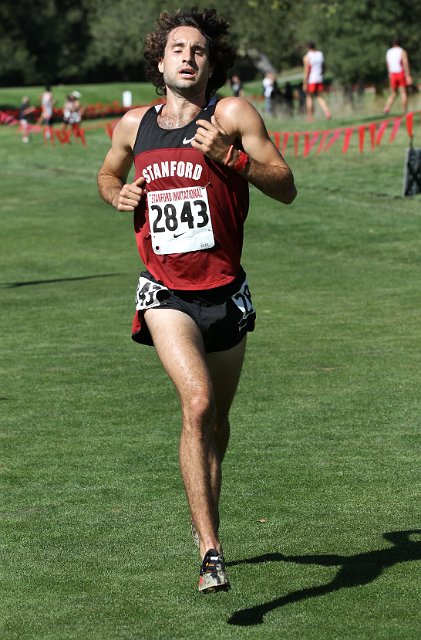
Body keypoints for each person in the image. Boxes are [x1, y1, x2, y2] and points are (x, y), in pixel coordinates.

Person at [97, 7, 296, 594]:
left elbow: (285, 185)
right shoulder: (135, 125)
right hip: (165, 291)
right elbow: (107, 175)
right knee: (197, 401)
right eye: (177, 48)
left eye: (199, 50)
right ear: (160, 61)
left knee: (218, 422)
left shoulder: (230, 114)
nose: (188, 56)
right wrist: (118, 192)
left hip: (226, 292)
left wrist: (231, 158)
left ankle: (205, 516)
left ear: (211, 63)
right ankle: (211, 549)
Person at [303, 42, 331, 120]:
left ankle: (310, 117)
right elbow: (323, 67)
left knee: (309, 97)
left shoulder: (307, 57)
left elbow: (306, 71)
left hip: (311, 80)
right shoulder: (320, 54)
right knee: (319, 97)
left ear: (308, 48)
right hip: (319, 78)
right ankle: (327, 112)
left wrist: (305, 82)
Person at [383, 38, 413, 114]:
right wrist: (408, 75)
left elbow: (388, 64)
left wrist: (389, 74)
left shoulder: (388, 52)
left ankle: (387, 108)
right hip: (400, 73)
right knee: (403, 92)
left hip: (392, 74)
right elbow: (405, 64)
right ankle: (405, 111)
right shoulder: (402, 51)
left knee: (393, 93)